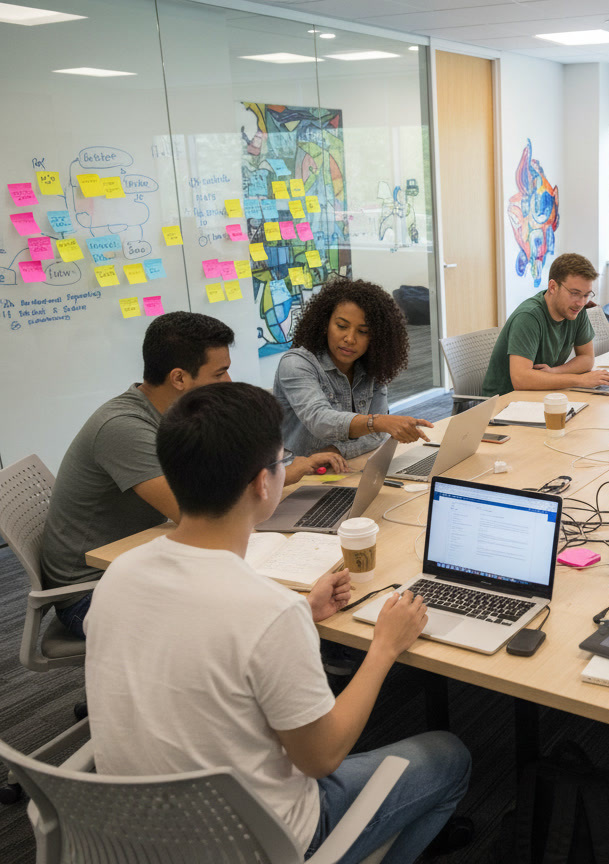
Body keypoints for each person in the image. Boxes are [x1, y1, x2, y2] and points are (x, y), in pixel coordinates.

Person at [84, 382, 470, 864]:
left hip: (132, 837)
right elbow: (320, 758)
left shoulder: (119, 575)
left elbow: (198, 642)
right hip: (258, 846)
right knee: (448, 756)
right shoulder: (267, 610)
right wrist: (383, 648)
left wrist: (302, 613)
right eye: (283, 459)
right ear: (261, 484)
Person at [40, 312, 344, 640]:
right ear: (179, 378)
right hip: (93, 590)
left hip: (142, 561)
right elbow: (196, 513)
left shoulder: (182, 417)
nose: (228, 381)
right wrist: (270, 477)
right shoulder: (123, 428)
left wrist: (283, 471)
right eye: (220, 372)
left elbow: (221, 481)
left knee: (260, 591)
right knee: (251, 608)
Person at [274, 279, 434, 459]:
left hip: (347, 464)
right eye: (341, 326)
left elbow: (377, 435)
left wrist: (336, 451)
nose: (350, 339)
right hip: (299, 472)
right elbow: (320, 421)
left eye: (363, 331)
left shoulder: (372, 366)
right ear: (325, 324)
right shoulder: (296, 364)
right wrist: (377, 422)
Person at [481, 252, 609, 396]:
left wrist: (554, 371)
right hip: (505, 401)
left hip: (541, 394)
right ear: (552, 287)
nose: (581, 302)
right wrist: (580, 380)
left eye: (586, 295)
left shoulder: (576, 311)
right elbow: (521, 379)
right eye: (574, 293)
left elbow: (587, 359)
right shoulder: (528, 317)